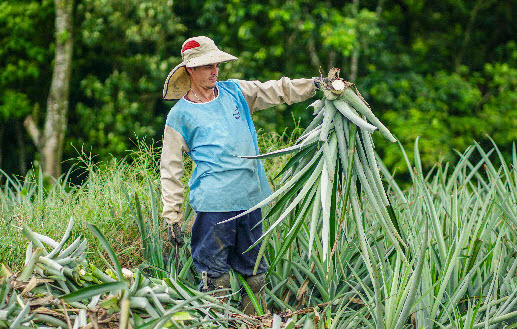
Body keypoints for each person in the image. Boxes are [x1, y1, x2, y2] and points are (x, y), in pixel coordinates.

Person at [160, 36, 319, 315]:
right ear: (190, 70)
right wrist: (172, 214)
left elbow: (276, 89)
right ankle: (216, 321)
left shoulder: (235, 92)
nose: (214, 71)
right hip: (213, 207)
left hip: (250, 199)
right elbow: (170, 169)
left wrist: (315, 86)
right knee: (215, 279)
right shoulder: (180, 115)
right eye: (206, 66)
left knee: (255, 275)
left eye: (216, 64)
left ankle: (254, 321)